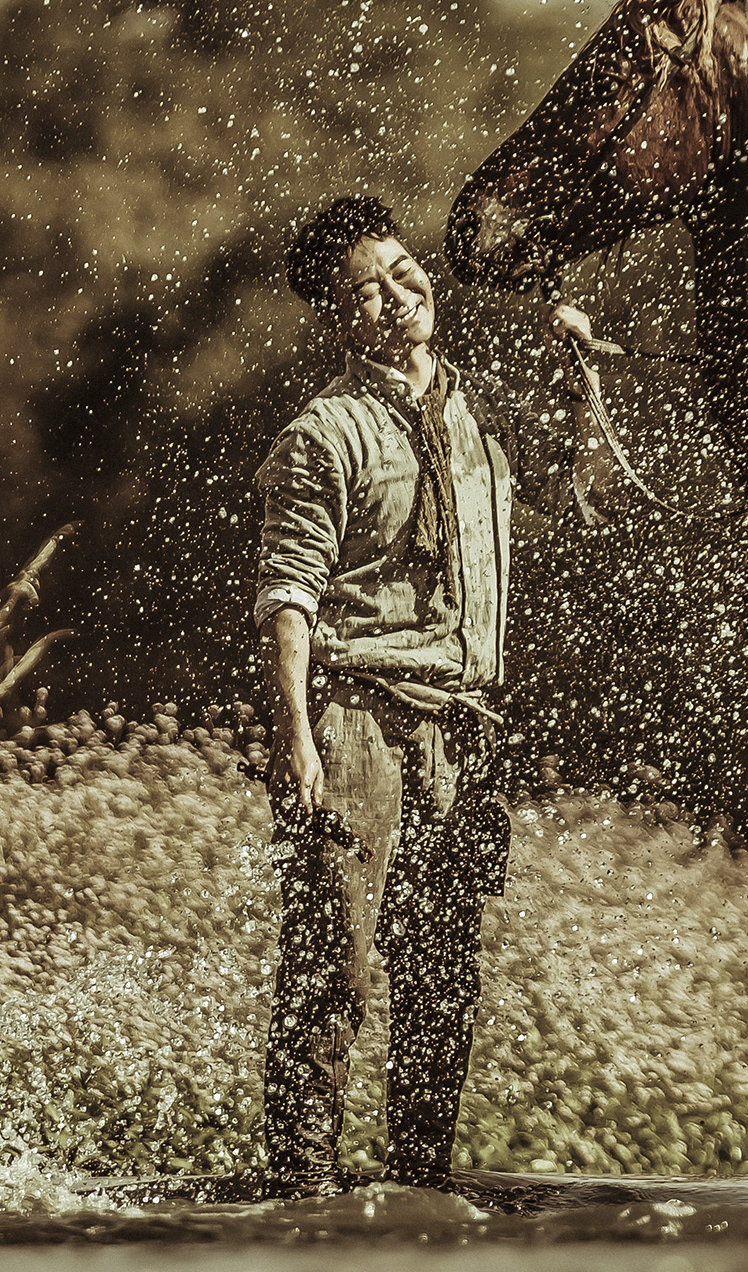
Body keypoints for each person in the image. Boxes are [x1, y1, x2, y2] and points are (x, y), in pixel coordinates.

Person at [254, 194, 620, 1198]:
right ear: (339, 318)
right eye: (365, 289)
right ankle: (303, 1193)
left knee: (442, 977)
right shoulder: (321, 433)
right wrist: (297, 742)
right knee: (337, 965)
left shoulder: (480, 405)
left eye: (403, 269)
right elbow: (286, 596)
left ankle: (420, 1183)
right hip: (354, 713)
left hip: (465, 725)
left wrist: (576, 370)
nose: (396, 294)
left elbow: (578, 487)